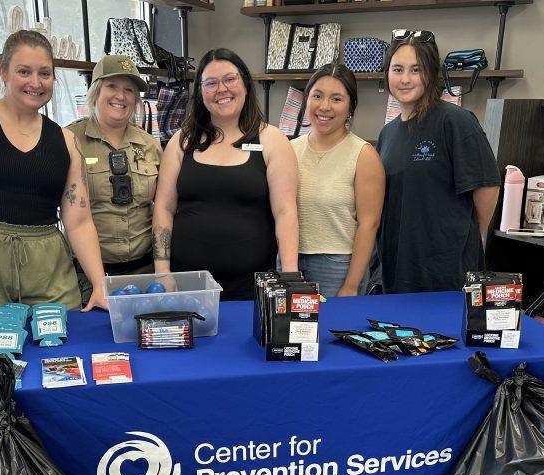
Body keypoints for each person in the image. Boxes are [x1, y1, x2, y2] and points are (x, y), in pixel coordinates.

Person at [0, 30, 107, 359]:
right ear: (3, 72)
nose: (35, 82)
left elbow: (79, 221)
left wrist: (100, 283)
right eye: (24, 71)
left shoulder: (66, 140)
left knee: (60, 359)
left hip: (47, 262)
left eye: (45, 73)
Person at [152, 48, 298, 301]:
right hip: (187, 285)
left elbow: (285, 212)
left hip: (252, 288)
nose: (221, 89)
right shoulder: (181, 141)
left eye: (230, 79)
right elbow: (163, 208)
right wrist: (162, 272)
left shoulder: (273, 140)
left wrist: (289, 275)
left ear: (245, 83)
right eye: (211, 83)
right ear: (200, 92)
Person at [376, 31, 500, 294]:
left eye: (416, 70)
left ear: (431, 74)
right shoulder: (388, 133)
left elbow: (487, 185)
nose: (405, 79)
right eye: (397, 69)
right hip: (399, 267)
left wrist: (469, 237)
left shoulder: (455, 121)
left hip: (445, 270)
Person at [67, 55, 163, 303]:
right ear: (96, 91)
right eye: (112, 86)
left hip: (146, 275)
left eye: (129, 90)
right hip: (87, 278)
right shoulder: (70, 140)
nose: (121, 96)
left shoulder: (150, 145)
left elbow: (164, 207)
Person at [291, 64, 385, 297]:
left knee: (332, 321)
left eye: (336, 99)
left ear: (350, 108)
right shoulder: (289, 149)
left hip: (337, 267)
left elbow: (369, 224)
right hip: (289, 260)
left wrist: (351, 284)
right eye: (317, 96)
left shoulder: (364, 155)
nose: (324, 106)